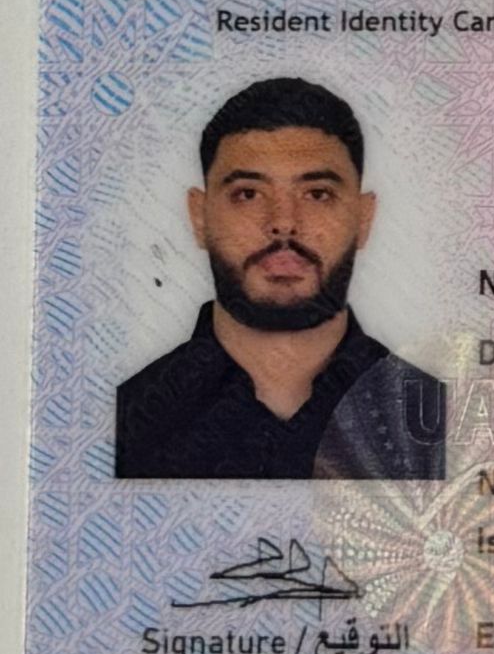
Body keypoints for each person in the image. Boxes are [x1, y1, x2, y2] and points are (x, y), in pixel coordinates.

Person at [115, 77, 445, 480]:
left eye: (317, 194)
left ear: (363, 219)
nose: (284, 222)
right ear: (199, 217)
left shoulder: (439, 427)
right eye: (248, 194)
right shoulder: (122, 425)